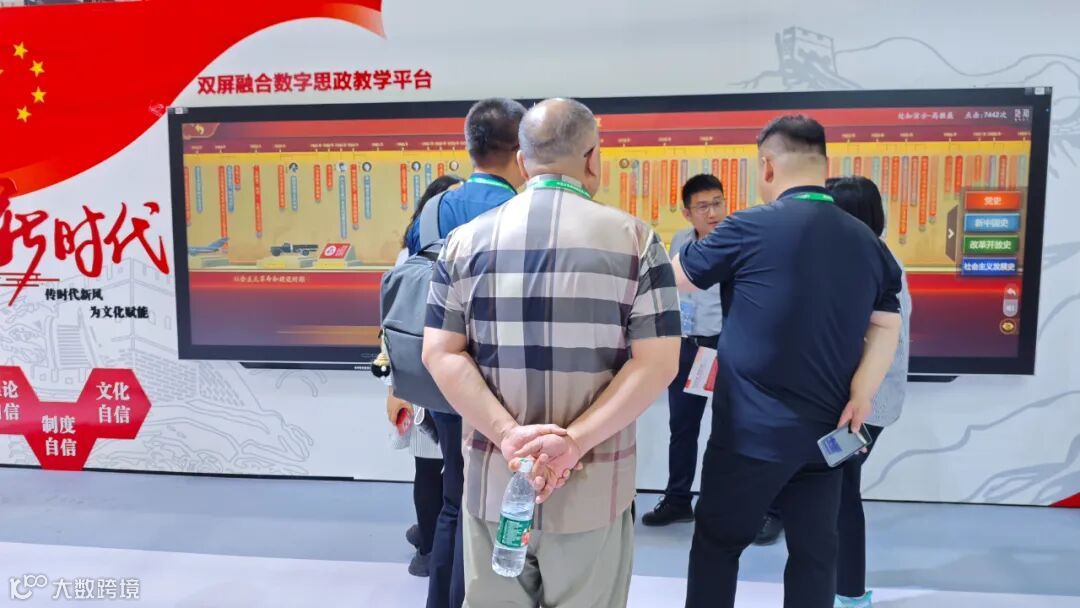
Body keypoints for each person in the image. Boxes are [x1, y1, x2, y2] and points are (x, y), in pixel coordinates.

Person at [422, 98, 681, 607]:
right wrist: (574, 442)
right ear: (592, 158)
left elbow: (441, 353)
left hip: (495, 482)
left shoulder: (463, 242)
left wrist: (508, 435)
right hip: (593, 487)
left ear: (522, 163)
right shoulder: (637, 241)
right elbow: (658, 363)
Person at [672, 115, 903, 608]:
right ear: (824, 164)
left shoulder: (746, 227)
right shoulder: (866, 240)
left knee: (717, 546)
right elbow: (887, 324)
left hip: (749, 435)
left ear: (768, 166)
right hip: (826, 437)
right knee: (815, 556)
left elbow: (682, 278)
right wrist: (862, 393)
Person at [407, 98, 528, 608]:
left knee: (454, 500)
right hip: (504, 383)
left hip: (440, 374)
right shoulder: (523, 211)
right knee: (502, 505)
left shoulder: (435, 207)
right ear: (522, 151)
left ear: (469, 145)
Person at [827, 176, 911, 608]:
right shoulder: (871, 257)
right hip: (864, 403)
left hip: (863, 406)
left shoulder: (870, 265)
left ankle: (849, 592)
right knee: (836, 491)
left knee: (842, 493)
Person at [384, 174, 464, 577]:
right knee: (431, 467)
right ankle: (430, 547)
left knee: (443, 468)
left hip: (434, 377)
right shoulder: (416, 258)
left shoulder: (457, 254)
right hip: (424, 379)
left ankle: (431, 537)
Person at [643, 174, 726, 527]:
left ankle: (721, 504)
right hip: (688, 347)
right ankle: (678, 499)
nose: (713, 213)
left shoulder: (738, 242)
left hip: (725, 348)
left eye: (718, 203)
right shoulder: (680, 241)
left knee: (728, 431)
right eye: (703, 206)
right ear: (688, 212)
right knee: (682, 428)